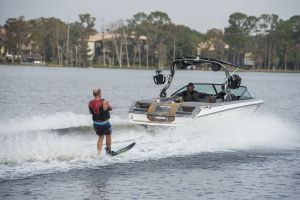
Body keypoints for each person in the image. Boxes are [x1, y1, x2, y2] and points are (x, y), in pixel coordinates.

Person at [88, 88, 113, 156]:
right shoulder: (105, 101)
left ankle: (99, 154)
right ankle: (108, 150)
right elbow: (111, 108)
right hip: (105, 123)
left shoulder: (90, 103)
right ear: (100, 93)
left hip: (96, 124)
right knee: (108, 135)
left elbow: (91, 112)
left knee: (100, 137)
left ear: (93, 94)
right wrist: (108, 108)